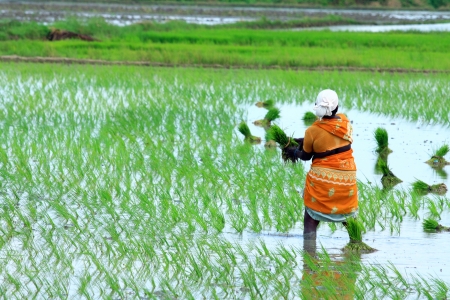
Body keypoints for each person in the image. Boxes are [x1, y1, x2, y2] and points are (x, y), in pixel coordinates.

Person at [285, 89, 358, 240]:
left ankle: (309, 252)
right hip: (347, 181)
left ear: (317, 106)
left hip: (323, 182)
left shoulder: (312, 130)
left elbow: (306, 155)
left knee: (311, 217)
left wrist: (293, 152)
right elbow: (329, 143)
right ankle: (356, 242)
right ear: (336, 108)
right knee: (348, 217)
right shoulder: (346, 123)